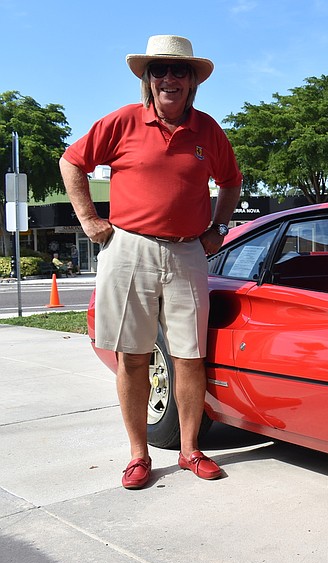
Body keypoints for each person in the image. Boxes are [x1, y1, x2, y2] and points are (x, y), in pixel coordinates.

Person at [59, 35, 242, 489]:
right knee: (134, 356)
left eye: (179, 71)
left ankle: (189, 450)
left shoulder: (208, 131)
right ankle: (139, 456)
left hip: (186, 252)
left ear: (192, 81)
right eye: (159, 70)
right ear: (147, 78)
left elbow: (231, 181)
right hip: (129, 248)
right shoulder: (122, 122)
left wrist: (217, 226)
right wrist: (88, 218)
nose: (169, 78)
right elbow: (72, 161)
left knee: (189, 356)